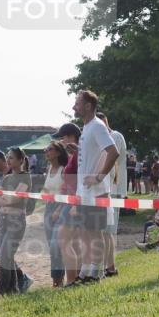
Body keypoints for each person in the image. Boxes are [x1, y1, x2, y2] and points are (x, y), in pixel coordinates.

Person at [72, 91, 119, 284]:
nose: (74, 107)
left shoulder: (98, 126)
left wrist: (98, 177)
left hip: (96, 191)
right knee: (85, 233)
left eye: (77, 103)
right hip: (84, 191)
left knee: (95, 232)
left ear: (89, 106)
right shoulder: (88, 127)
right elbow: (95, 153)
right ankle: (85, 272)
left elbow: (113, 152)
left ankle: (95, 273)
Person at [0, 149, 32, 292]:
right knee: (4, 255)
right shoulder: (6, 178)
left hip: (15, 221)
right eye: (7, 157)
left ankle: (1, 291)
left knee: (5, 255)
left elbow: (14, 199)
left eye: (11, 158)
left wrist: (2, 199)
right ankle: (13, 289)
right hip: (2, 220)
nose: (8, 160)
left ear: (20, 160)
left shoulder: (25, 177)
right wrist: (3, 199)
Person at [97, 112, 127, 278]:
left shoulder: (114, 136)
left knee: (108, 231)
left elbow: (105, 156)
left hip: (113, 190)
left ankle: (110, 267)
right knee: (104, 230)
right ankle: (108, 267)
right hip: (106, 190)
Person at [52, 123, 82, 285]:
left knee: (64, 240)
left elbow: (81, 182)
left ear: (71, 136)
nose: (61, 140)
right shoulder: (74, 155)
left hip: (74, 203)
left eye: (63, 137)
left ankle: (71, 280)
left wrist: (75, 205)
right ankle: (76, 277)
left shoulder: (78, 155)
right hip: (70, 203)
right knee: (74, 242)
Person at [41, 140, 68, 287]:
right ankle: (56, 280)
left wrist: (58, 209)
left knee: (55, 245)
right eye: (46, 150)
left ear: (58, 152)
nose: (47, 152)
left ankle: (59, 279)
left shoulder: (63, 170)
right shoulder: (49, 169)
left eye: (49, 149)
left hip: (60, 208)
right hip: (48, 208)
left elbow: (67, 192)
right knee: (51, 246)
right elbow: (47, 190)